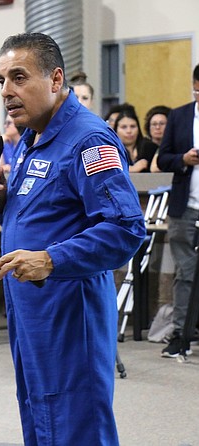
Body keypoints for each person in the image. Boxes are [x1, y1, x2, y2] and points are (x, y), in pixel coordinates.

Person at [0, 32, 145, 445]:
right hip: (32, 307)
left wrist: (50, 260)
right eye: (1, 81)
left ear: (55, 79)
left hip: (70, 309)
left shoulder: (88, 139)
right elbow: (49, 211)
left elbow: (125, 228)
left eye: (19, 77)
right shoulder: (34, 137)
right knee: (42, 415)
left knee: (76, 423)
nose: (6, 91)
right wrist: (2, 202)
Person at [156, 64, 199, 358]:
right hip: (185, 207)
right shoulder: (180, 115)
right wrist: (183, 158)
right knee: (185, 273)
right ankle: (181, 334)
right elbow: (163, 158)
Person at [113, 107, 158, 172]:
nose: (129, 131)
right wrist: (132, 169)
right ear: (116, 130)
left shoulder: (150, 147)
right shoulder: (111, 150)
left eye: (133, 126)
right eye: (124, 127)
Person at [144, 105, 171, 173]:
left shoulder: (174, 148)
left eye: (162, 124)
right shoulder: (144, 148)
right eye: (154, 124)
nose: (157, 127)